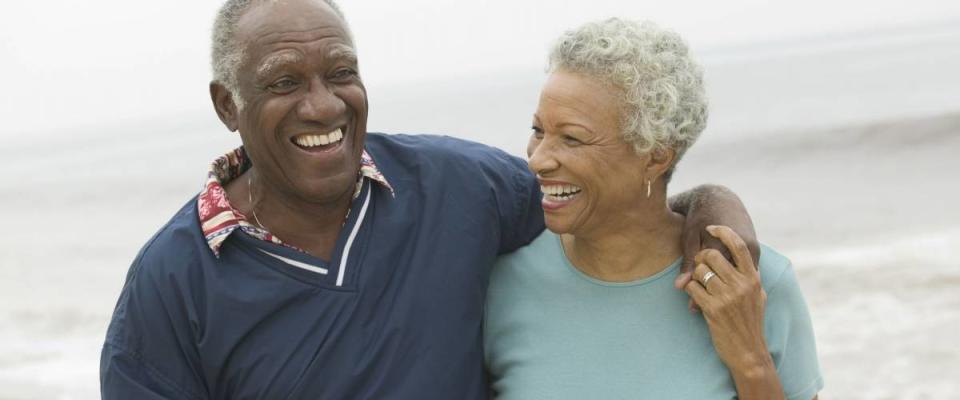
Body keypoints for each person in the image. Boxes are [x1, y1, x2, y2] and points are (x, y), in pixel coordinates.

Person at [100, 1, 759, 398]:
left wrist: (717, 213)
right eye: (282, 83)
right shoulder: (170, 284)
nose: (323, 104)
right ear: (227, 105)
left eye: (341, 73)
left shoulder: (458, 187)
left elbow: (613, 208)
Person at [484, 18, 823, 400]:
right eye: (538, 131)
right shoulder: (500, 283)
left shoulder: (752, 286)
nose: (538, 161)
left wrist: (751, 361)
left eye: (572, 138)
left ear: (655, 157)